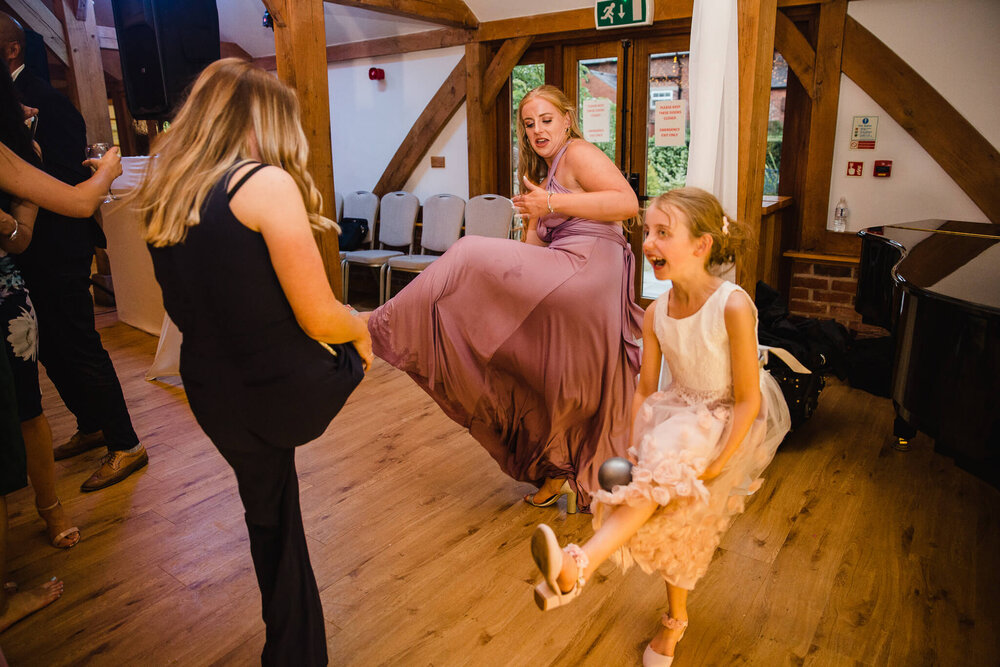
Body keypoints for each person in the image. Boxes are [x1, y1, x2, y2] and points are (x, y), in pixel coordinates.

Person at [132, 59, 371, 666]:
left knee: (270, 514)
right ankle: (295, 653)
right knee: (371, 334)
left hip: (213, 389)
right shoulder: (262, 183)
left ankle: (292, 650)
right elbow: (319, 318)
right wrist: (364, 331)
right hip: (281, 390)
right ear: (262, 120)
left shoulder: (167, 192)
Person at [529, 188, 790, 666]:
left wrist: (720, 463)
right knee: (673, 522)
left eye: (663, 233)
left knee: (677, 511)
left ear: (702, 245)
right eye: (647, 231)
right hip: (674, 419)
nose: (647, 242)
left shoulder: (733, 306)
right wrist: (633, 446)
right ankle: (658, 612)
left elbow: (749, 398)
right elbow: (647, 389)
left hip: (723, 423)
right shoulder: (655, 313)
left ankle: (579, 566)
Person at [367, 84, 643, 513]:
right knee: (538, 371)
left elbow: (626, 202)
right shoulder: (538, 177)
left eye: (546, 120)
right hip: (563, 271)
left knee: (466, 252)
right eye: (529, 124)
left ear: (567, 120)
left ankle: (379, 323)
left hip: (588, 271)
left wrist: (548, 202)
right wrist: (495, 294)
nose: (537, 130)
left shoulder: (578, 154)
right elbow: (532, 250)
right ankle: (555, 470)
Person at [1, 11, 148, 492]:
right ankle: (92, 424)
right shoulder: (15, 105)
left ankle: (126, 443)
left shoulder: (46, 101)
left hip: (58, 247)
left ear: (11, 50)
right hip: (27, 251)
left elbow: (70, 180)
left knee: (79, 346)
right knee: (50, 351)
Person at [0, 63, 78, 549]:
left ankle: (50, 510)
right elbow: (81, 203)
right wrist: (108, 170)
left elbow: (21, 238)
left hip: (9, 292)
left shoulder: (17, 149)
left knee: (28, 407)